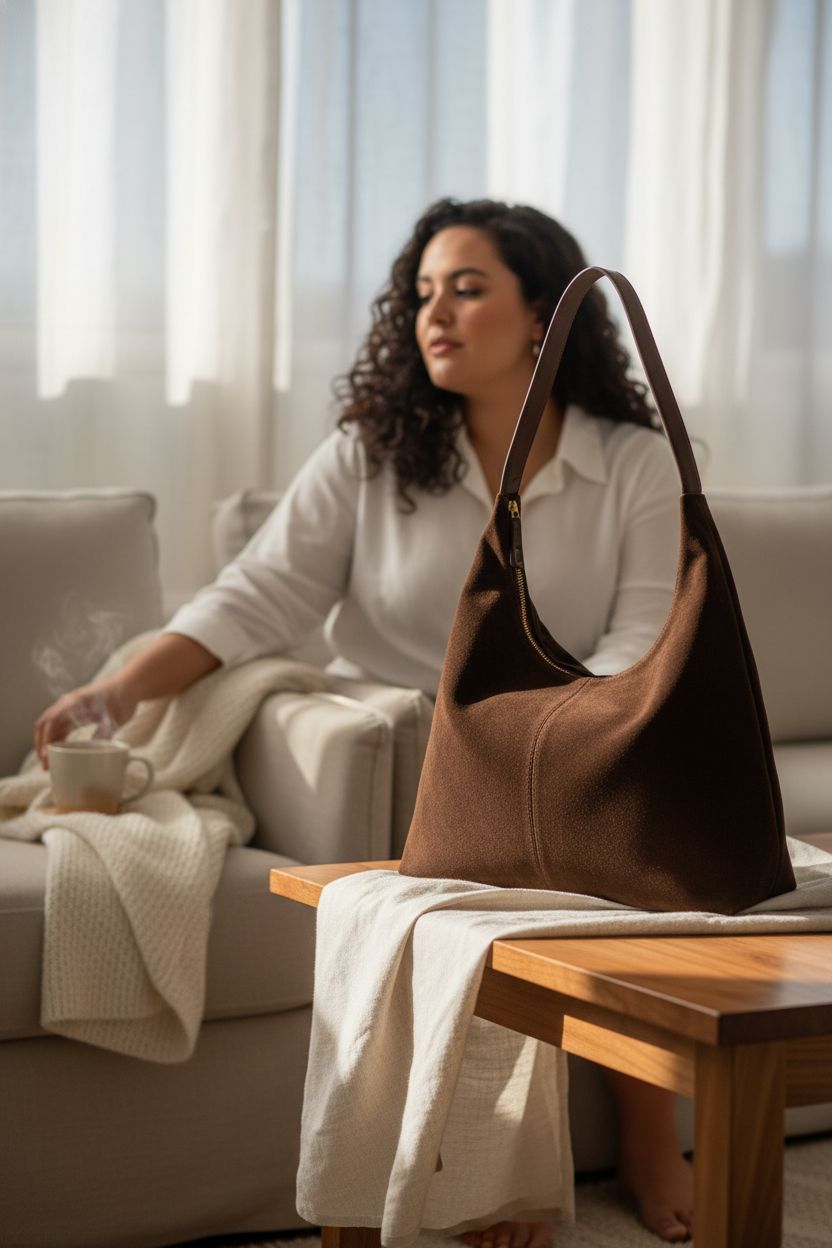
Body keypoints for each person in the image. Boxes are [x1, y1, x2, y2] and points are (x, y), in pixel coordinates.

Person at [35, 197, 693, 1244]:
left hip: (571, 736)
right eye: (421, 293)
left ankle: (649, 1132)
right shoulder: (372, 452)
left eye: (466, 289)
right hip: (407, 744)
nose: (434, 313)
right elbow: (258, 598)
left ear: (541, 318)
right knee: (493, 852)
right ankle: (481, 1162)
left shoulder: (633, 462)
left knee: (622, 808)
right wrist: (122, 687)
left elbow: (643, 637)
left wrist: (555, 734)